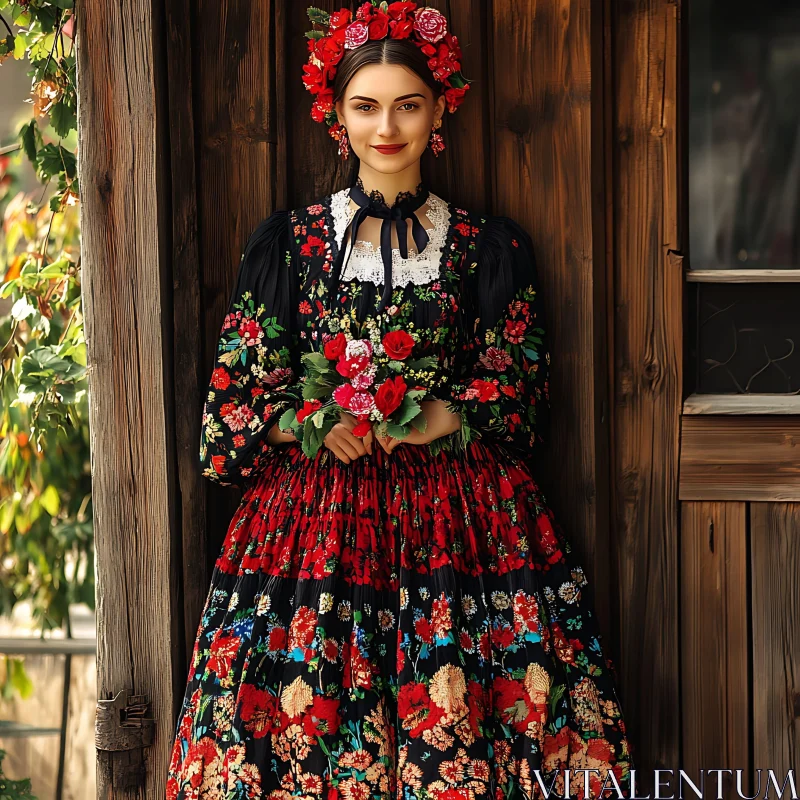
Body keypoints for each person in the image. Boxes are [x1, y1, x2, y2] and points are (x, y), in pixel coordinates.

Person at [166, 4, 634, 798]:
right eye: (367, 105)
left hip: (459, 529)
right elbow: (232, 405)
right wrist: (313, 420)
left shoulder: (489, 248)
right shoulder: (291, 244)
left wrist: (449, 413)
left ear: (439, 110)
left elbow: (521, 388)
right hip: (315, 531)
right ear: (336, 114)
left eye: (407, 104)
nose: (387, 127)